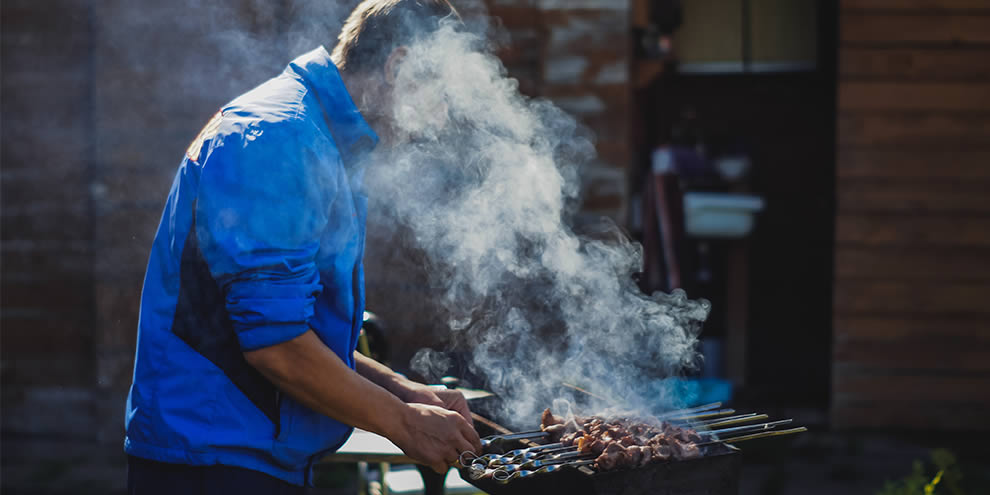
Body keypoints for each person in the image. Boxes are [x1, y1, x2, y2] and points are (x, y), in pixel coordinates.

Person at [124, 1, 482, 493]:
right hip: (212, 463)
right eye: (440, 93)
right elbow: (276, 347)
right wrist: (404, 423)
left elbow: (295, 329)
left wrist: (401, 390)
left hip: (248, 458)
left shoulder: (318, 138)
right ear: (399, 65)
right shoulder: (278, 139)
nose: (439, 118)